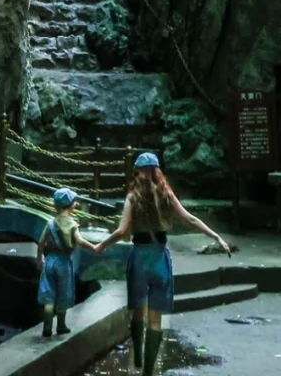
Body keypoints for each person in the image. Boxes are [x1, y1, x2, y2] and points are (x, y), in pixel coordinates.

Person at [96, 152, 231, 375]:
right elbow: (190, 219)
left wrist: (102, 245)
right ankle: (148, 371)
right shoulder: (167, 195)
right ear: (158, 171)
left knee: (138, 307)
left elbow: (121, 231)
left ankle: (137, 354)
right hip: (160, 258)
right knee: (156, 319)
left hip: (139, 257)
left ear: (136, 172)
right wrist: (216, 237)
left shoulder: (132, 198)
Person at [36, 187, 100, 338]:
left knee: (49, 294)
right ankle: (61, 325)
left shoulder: (50, 224)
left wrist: (40, 258)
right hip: (64, 262)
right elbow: (79, 241)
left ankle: (47, 327)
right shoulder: (72, 225)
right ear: (71, 205)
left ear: (55, 206)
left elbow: (40, 243)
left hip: (50, 260)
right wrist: (94, 247)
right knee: (63, 294)